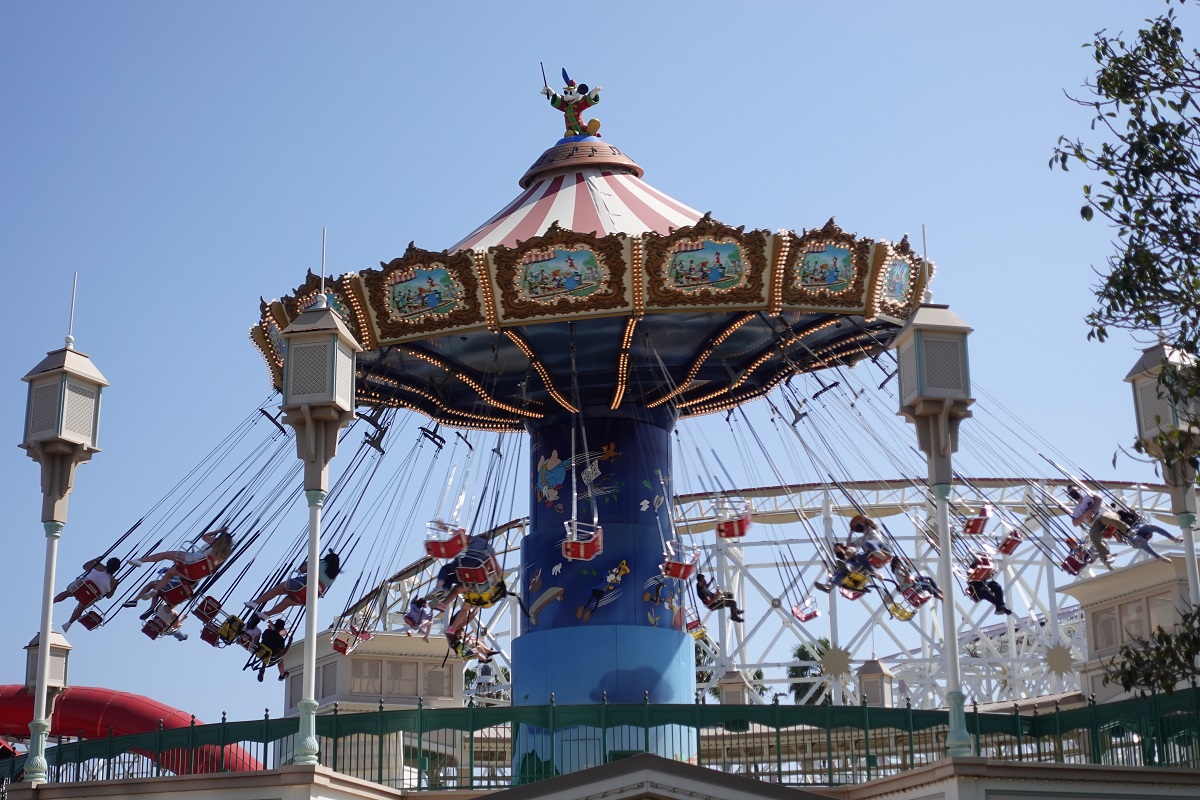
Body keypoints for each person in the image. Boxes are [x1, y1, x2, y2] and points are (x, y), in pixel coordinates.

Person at [130, 528, 235, 599]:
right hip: (195, 574)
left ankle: (141, 560)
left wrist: (219, 530)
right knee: (170, 572)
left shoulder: (215, 542)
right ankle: (156, 590)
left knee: (165, 555)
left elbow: (204, 536)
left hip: (193, 560)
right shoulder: (223, 556)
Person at [246, 551, 341, 617]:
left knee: (277, 589)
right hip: (310, 597)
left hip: (304, 584)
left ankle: (255, 603)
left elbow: (302, 569)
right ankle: (267, 614)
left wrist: (307, 563)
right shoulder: (333, 576)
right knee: (287, 602)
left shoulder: (321, 562)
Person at [55, 556, 121, 632]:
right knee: (81, 607)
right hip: (90, 596)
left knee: (67, 593)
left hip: (81, 587)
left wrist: (95, 560)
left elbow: (85, 566)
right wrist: (115, 587)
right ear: (116, 569)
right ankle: (69, 623)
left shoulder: (98, 566)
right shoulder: (113, 582)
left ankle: (52, 601)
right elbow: (109, 596)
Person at [1065, 486, 1124, 567]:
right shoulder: (1076, 510)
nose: (1073, 494)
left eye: (1074, 491)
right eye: (1071, 493)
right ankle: (1106, 556)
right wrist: (1084, 515)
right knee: (1096, 538)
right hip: (1096, 524)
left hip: (1102, 514)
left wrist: (1092, 510)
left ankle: (1126, 531)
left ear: (1079, 489)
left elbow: (1099, 499)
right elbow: (1075, 523)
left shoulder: (1089, 495)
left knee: (1112, 519)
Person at [1117, 508, 1184, 564]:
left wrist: (1134, 512)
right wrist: (1114, 531)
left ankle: (1174, 539)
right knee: (1140, 541)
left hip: (1138, 527)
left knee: (1152, 526)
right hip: (1131, 535)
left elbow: (1139, 518)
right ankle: (1160, 558)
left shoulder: (1124, 514)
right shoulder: (1114, 525)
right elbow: (1120, 540)